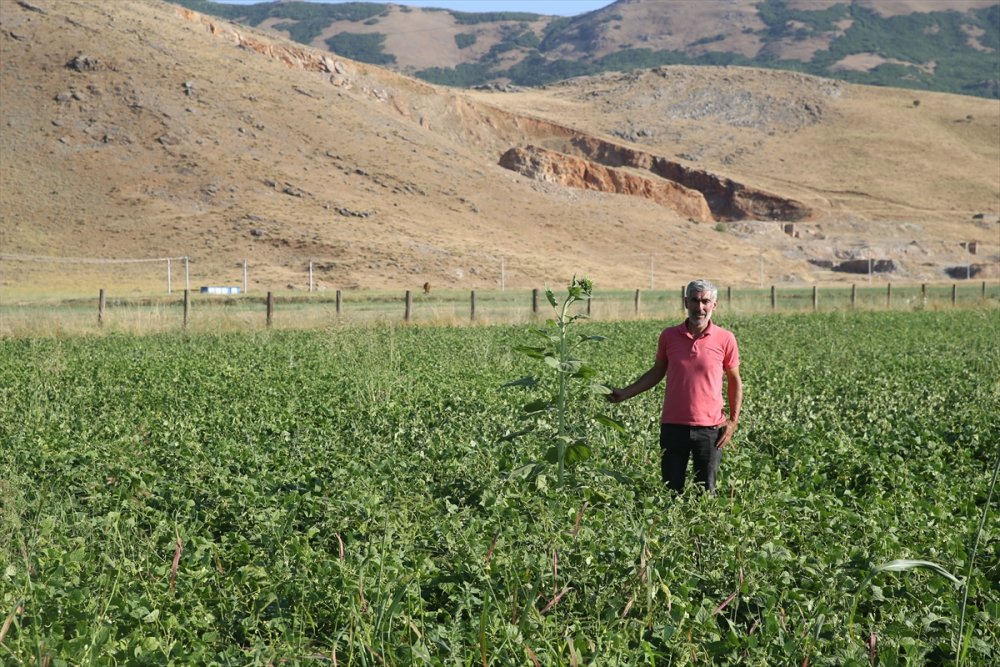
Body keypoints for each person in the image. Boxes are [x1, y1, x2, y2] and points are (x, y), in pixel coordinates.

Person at [607, 279, 742, 492]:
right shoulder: (669, 336)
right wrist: (625, 393)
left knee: (706, 491)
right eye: (695, 301)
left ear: (714, 305)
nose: (700, 307)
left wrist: (733, 421)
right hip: (673, 426)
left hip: (710, 429)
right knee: (671, 489)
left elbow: (735, 381)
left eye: (705, 301)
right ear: (686, 302)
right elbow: (657, 371)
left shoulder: (725, 339)